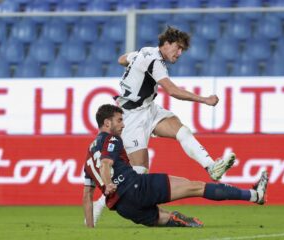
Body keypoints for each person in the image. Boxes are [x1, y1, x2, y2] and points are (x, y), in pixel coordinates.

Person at [90, 26, 237, 225]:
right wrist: (204, 100)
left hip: (148, 108)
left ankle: (212, 167)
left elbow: (121, 59)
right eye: (177, 48)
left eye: (183, 50)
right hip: (131, 117)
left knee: (181, 130)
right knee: (139, 171)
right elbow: (172, 90)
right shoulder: (155, 60)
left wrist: (132, 64)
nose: (180, 53)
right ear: (166, 44)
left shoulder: (144, 52)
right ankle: (99, 204)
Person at [83, 104, 269, 228]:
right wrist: (108, 184)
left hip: (124, 209)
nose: (123, 125)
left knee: (164, 218)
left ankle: (176, 220)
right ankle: (255, 195)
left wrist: (90, 229)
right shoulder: (111, 138)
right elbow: (106, 163)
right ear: (107, 123)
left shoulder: (88, 157)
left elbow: (87, 195)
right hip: (136, 187)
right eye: (119, 120)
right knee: (197, 187)